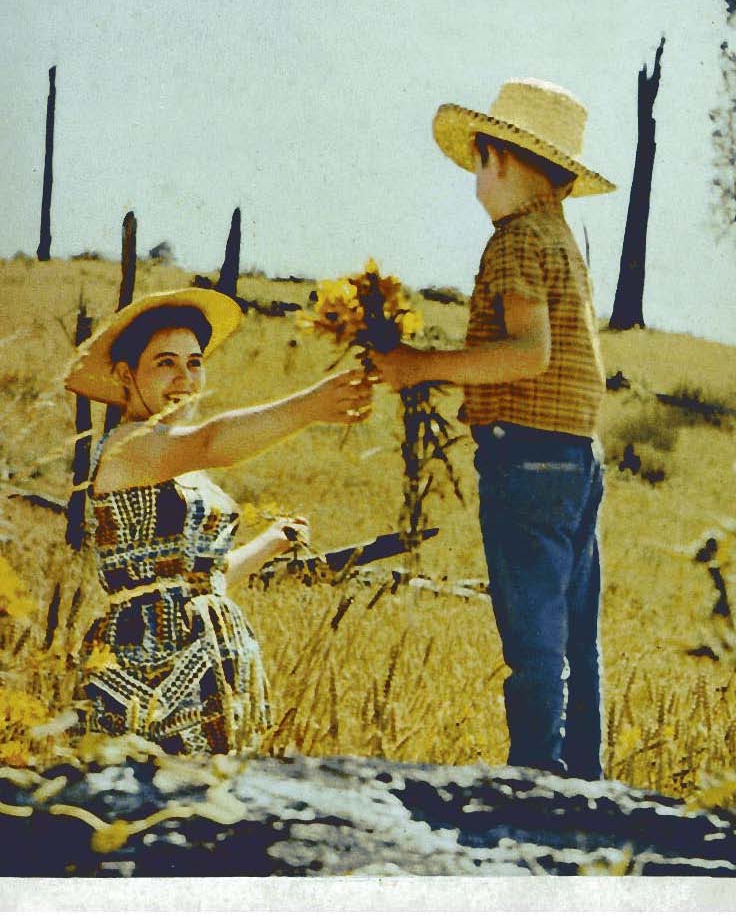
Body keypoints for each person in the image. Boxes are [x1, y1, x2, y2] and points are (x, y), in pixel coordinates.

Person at [372, 78, 616, 779]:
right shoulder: (562, 239)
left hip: (526, 453)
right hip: (577, 454)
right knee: (576, 634)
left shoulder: (513, 242)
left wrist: (421, 365)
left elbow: (527, 354)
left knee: (533, 630)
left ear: (501, 161)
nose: (477, 182)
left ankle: (537, 775)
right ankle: (585, 777)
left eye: (479, 164)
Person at [64, 287, 372, 756]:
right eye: (165, 363)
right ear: (127, 375)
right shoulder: (128, 445)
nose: (184, 379)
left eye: (195, 363)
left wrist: (270, 543)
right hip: (147, 667)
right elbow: (211, 442)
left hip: (215, 666)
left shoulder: (175, 459)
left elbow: (203, 579)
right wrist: (308, 408)